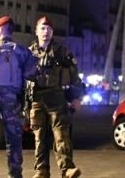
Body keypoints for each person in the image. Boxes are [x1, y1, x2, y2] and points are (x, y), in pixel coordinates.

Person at [0, 16, 39, 178]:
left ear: (1, 28)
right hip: (12, 100)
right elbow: (32, 74)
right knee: (14, 141)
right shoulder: (22, 51)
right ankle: (15, 175)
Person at [28, 16, 84, 178]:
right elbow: (22, 78)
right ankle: (41, 170)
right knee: (39, 137)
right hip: (37, 99)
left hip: (56, 97)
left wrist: (76, 98)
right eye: (43, 28)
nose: (46, 32)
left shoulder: (61, 52)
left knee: (61, 134)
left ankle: (67, 169)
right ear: (36, 31)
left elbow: (74, 76)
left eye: (49, 29)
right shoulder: (29, 53)